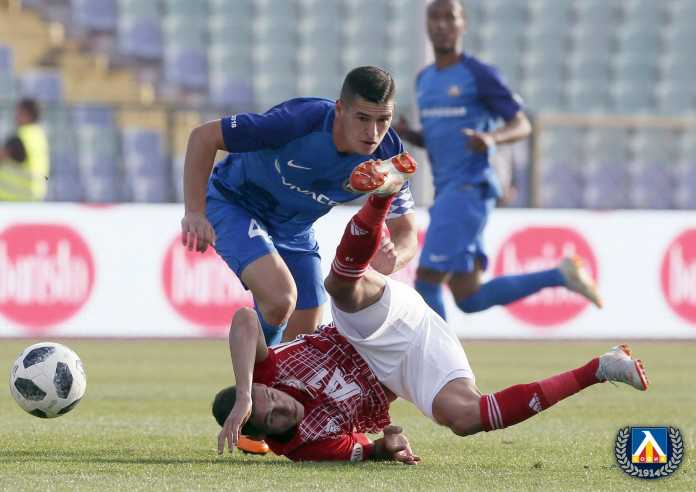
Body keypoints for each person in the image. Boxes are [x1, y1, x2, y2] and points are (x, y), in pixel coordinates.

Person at [212, 172, 649, 463]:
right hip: (403, 371)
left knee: (339, 289)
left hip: (363, 331)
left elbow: (244, 321)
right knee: (464, 419)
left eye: (270, 399)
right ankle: (602, 367)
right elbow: (366, 452)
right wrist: (389, 449)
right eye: (272, 417)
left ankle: (381, 194)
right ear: (269, 436)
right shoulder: (305, 446)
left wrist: (248, 392)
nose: (280, 406)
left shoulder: (265, 371)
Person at [181, 66, 418, 348]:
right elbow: (203, 137)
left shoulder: (389, 156)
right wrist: (194, 211)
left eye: (384, 120)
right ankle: (252, 373)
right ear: (340, 109)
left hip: (295, 229)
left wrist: (395, 257)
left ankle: (262, 385)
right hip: (234, 202)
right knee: (280, 299)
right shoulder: (299, 121)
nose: (373, 132)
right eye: (363, 118)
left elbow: (406, 231)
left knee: (305, 334)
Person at [393, 0, 601, 321]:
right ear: (427, 25)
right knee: (468, 296)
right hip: (448, 189)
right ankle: (559, 275)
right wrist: (410, 133)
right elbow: (439, 138)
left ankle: (440, 370)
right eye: (435, 17)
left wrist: (491, 139)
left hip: (469, 188)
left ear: (463, 24)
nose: (442, 24)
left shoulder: (478, 74)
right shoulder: (424, 80)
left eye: (450, 17)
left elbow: (522, 124)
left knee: (428, 280)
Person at [0, 98, 50, 201]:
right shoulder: (39, 135)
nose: (15, 116)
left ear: (26, 114)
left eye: (18, 112)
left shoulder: (19, 138)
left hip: (13, 198)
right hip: (35, 196)